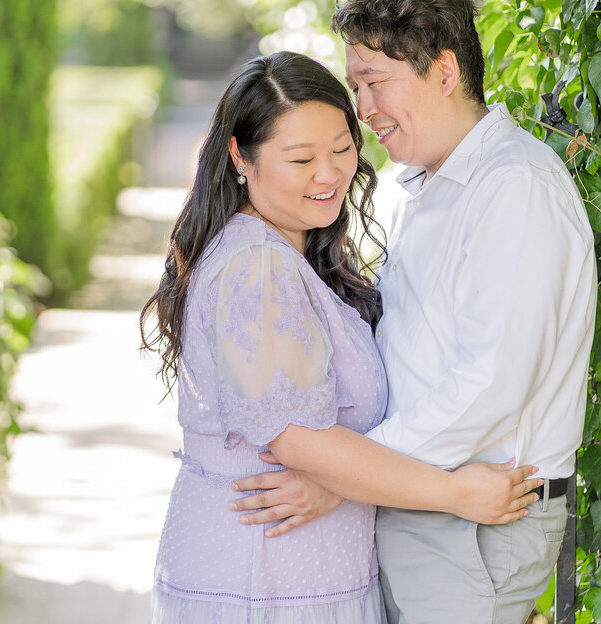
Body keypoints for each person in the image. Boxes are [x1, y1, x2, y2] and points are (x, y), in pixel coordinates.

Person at [230, 0, 597, 624]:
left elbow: (489, 386)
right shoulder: (422, 189)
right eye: (356, 85)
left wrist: (342, 477)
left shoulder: (513, 187)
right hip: (427, 505)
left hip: (476, 521)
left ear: (446, 72)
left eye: (374, 81)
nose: (362, 108)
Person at [141, 50, 545, 624]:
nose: (329, 174)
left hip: (298, 573)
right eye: (300, 158)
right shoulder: (258, 266)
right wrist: (456, 492)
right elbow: (299, 442)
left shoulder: (289, 251)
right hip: (265, 582)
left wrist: (337, 489)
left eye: (340, 148)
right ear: (240, 156)